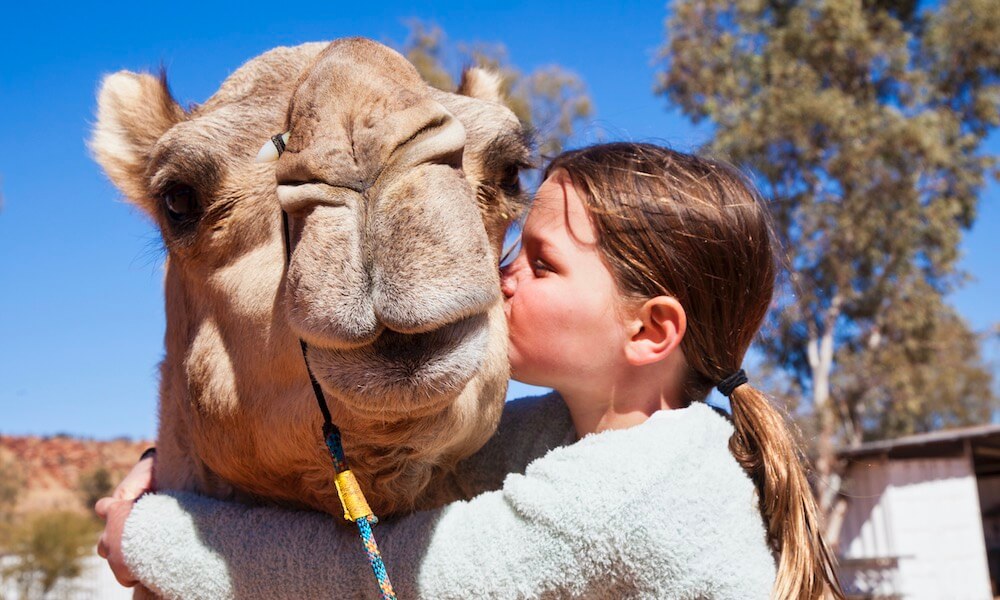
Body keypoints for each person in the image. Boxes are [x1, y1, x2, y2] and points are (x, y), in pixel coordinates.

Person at [96, 142, 843, 599]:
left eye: (541, 264)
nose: (500, 272)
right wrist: (167, 462)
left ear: (649, 331)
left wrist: (149, 537)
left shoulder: (637, 485)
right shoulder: (570, 435)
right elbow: (388, 460)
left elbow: (372, 580)